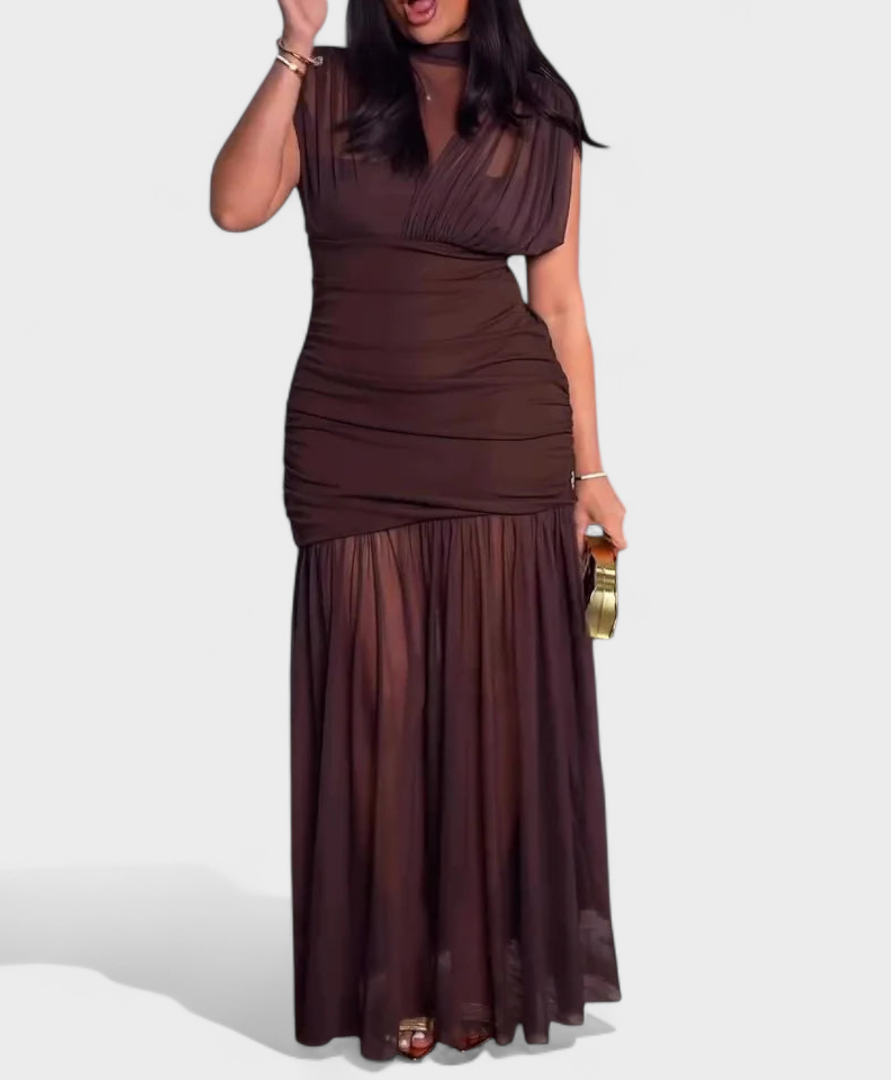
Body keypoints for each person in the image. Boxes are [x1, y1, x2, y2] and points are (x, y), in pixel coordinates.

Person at [210, 0, 626, 1062]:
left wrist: (591, 471)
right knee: (379, 710)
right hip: (351, 443)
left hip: (500, 441)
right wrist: (291, 47)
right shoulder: (330, 86)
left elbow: (561, 305)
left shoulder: (537, 107)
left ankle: (474, 976)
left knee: (490, 716)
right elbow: (235, 206)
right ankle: (397, 973)